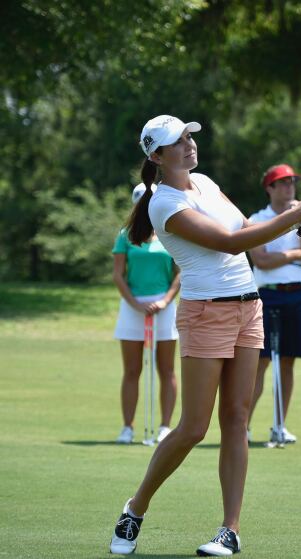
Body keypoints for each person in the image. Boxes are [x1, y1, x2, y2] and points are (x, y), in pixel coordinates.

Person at [109, 115, 301, 556]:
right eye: (179, 141)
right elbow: (228, 243)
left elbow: (245, 229)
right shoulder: (163, 205)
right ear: (157, 156)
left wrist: (299, 223)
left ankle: (230, 529)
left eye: (190, 137)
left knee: (237, 418)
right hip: (205, 313)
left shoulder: (205, 182)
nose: (190, 144)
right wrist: (294, 215)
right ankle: (136, 506)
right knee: (193, 426)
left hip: (249, 307)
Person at [246, 164, 301, 444]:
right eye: (282, 182)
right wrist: (294, 254)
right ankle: (243, 427)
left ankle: (279, 425)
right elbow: (262, 261)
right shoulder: (257, 219)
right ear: (270, 188)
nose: (289, 186)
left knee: (288, 362)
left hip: (298, 295)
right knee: (260, 362)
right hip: (267, 296)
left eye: (292, 181)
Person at [112, 183, 181, 445]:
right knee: (132, 370)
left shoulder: (170, 235)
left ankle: (164, 427)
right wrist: (135, 304)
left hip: (164, 307)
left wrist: (164, 301)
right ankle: (127, 428)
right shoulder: (125, 235)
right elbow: (118, 275)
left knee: (167, 370)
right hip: (132, 307)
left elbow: (180, 274)